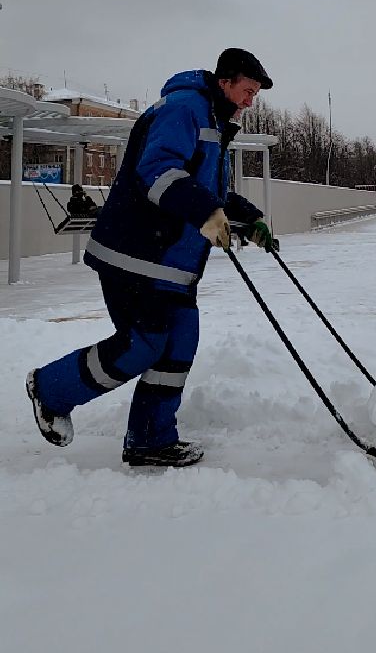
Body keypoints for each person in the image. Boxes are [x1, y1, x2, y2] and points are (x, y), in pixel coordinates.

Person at [26, 48, 275, 469]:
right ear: (225, 82)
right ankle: (49, 390)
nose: (250, 101)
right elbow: (158, 174)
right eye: (247, 91)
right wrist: (206, 213)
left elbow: (202, 189)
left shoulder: (212, 121)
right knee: (145, 343)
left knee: (178, 343)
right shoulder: (184, 109)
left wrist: (246, 218)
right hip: (134, 256)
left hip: (170, 266)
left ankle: (150, 440)